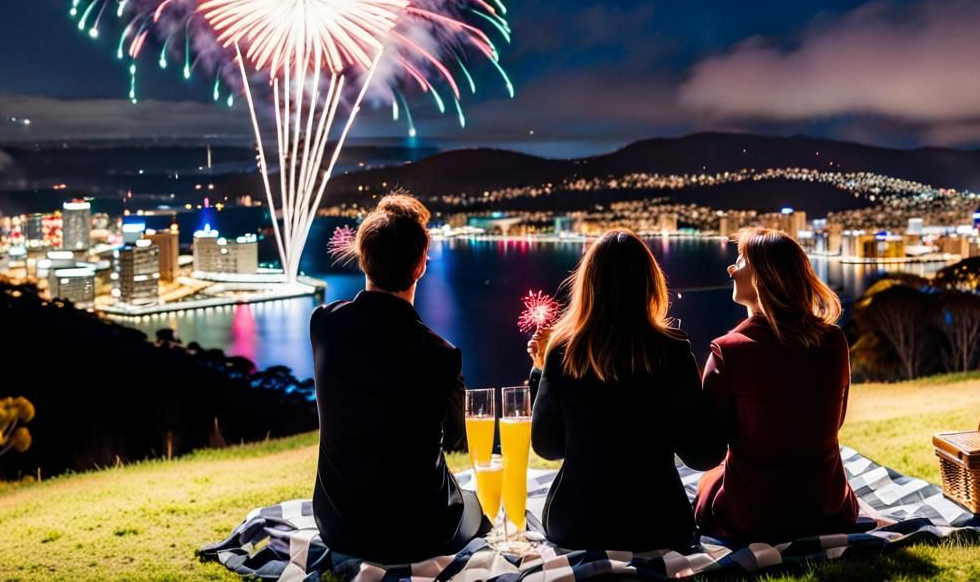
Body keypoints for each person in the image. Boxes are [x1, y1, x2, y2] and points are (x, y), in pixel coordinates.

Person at [310, 194, 487, 563]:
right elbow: (457, 436)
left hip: (337, 524)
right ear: (420, 266)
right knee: (475, 502)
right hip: (417, 531)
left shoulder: (324, 323)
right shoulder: (439, 353)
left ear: (364, 257)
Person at [527, 229, 724, 551]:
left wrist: (539, 371)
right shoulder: (673, 352)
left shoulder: (564, 352)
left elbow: (548, 447)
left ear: (587, 285)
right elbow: (703, 455)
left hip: (575, 523)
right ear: (650, 284)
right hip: (660, 523)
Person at [693, 228, 859, 544]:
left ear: (762, 277)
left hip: (753, 517)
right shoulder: (834, 341)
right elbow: (834, 422)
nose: (731, 268)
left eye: (740, 260)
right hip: (827, 507)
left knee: (707, 483)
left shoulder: (728, 351)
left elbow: (710, 447)